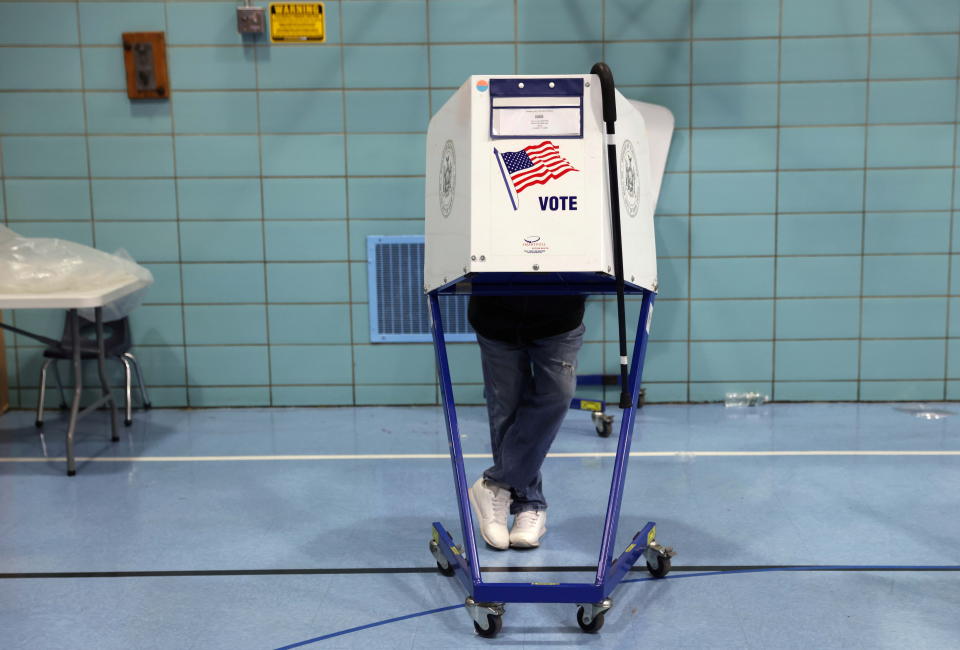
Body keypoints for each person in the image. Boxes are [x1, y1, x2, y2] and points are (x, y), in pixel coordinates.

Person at [467, 293, 586, 549]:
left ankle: (497, 484)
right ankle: (528, 503)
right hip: (495, 314)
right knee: (506, 409)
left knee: (558, 393)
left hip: (560, 315)